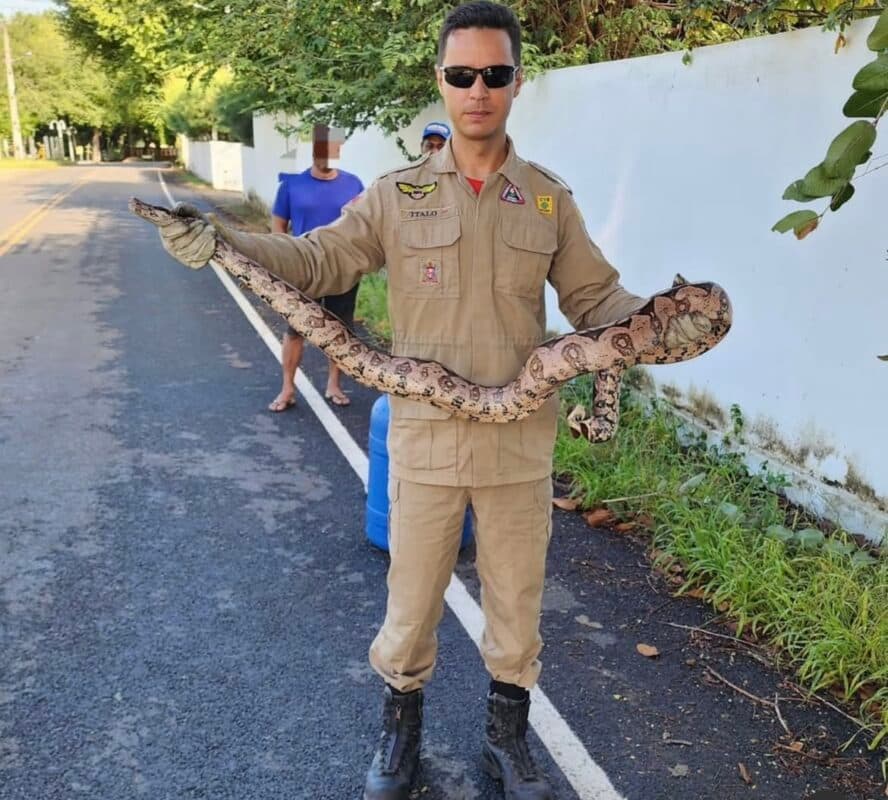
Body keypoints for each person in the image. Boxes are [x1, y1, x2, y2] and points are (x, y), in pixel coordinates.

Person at [157, 4, 701, 797]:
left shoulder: (549, 200)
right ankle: (398, 735)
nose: (478, 90)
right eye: (461, 74)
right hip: (424, 440)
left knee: (516, 605)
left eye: (495, 74)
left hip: (519, 450)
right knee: (410, 607)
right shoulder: (395, 195)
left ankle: (507, 741)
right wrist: (226, 242)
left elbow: (597, 301)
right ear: (440, 82)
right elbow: (316, 262)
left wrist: (666, 322)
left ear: (517, 82)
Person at [268, 124, 364, 411]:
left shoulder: (354, 184)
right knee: (295, 330)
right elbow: (278, 227)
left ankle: (334, 384)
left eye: (332, 147)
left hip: (342, 271)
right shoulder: (291, 186)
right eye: (321, 147)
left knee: (338, 331)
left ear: (338, 149)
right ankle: (287, 388)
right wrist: (284, 262)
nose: (326, 153)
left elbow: (363, 226)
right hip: (304, 272)